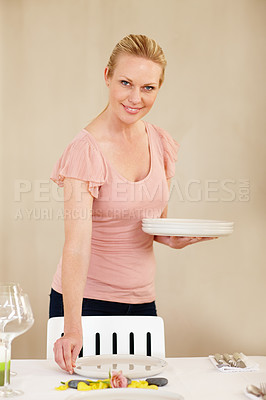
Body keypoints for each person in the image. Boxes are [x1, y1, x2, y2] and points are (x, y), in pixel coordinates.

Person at [49, 34, 214, 373]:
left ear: (159, 88)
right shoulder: (86, 151)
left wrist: (174, 238)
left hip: (142, 303)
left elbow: (155, 223)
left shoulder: (160, 142)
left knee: (142, 392)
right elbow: (76, 246)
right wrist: (73, 326)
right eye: (126, 82)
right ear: (107, 75)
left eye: (148, 88)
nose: (135, 98)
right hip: (87, 303)